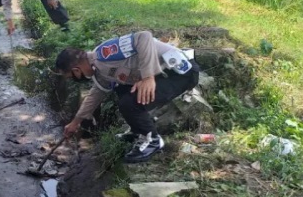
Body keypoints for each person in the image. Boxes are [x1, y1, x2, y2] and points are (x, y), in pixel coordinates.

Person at [54, 31, 200, 163]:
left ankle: (153, 140)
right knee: (122, 90)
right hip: (163, 75)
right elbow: (95, 94)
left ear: (76, 70)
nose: (73, 79)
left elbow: (144, 36)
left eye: (71, 77)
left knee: (129, 103)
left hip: (180, 73)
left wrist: (148, 77)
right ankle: (138, 132)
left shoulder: (105, 55)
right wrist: (75, 122)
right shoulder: (99, 69)